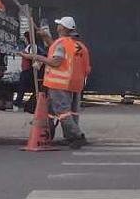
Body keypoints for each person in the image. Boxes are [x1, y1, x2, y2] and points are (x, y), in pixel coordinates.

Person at [20, 16, 91, 149]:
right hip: (75, 83)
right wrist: (46, 37)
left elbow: (55, 61)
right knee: (71, 111)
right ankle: (68, 137)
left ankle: (77, 136)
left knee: (62, 112)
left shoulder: (61, 44)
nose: (57, 26)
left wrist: (33, 56)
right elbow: (60, 52)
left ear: (63, 28)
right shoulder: (79, 46)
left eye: (59, 24)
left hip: (60, 83)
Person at [13, 32, 47, 111]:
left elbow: (33, 57)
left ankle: (19, 104)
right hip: (27, 70)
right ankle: (27, 104)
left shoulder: (32, 47)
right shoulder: (29, 47)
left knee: (22, 88)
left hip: (28, 71)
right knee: (28, 88)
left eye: (25, 38)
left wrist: (33, 67)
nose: (24, 40)